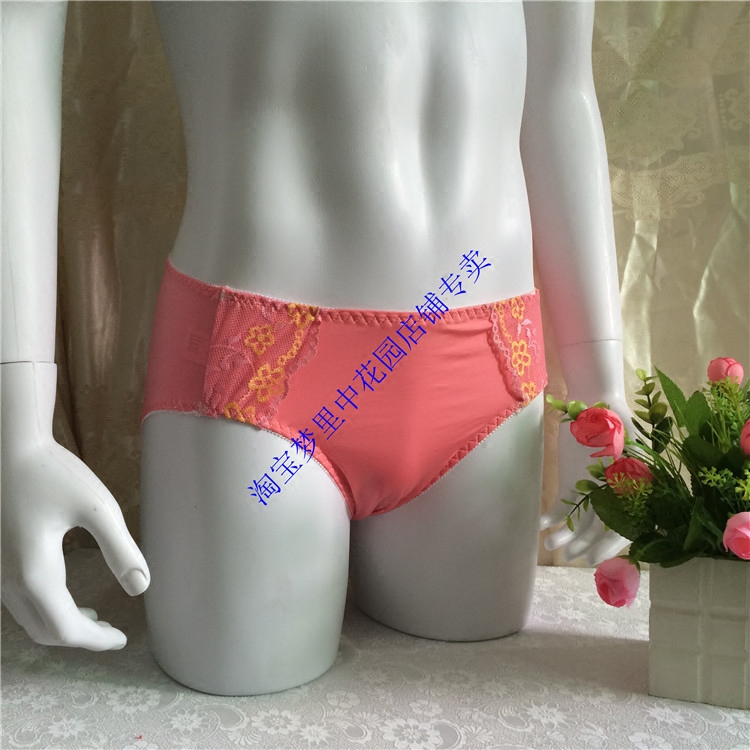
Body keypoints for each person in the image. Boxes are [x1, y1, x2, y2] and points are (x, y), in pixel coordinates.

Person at [2, 0, 629, 695]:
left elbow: (562, 89)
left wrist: (601, 382)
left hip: (489, 370)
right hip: (258, 372)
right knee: (240, 692)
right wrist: (16, 430)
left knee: (473, 687)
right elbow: (15, 29)